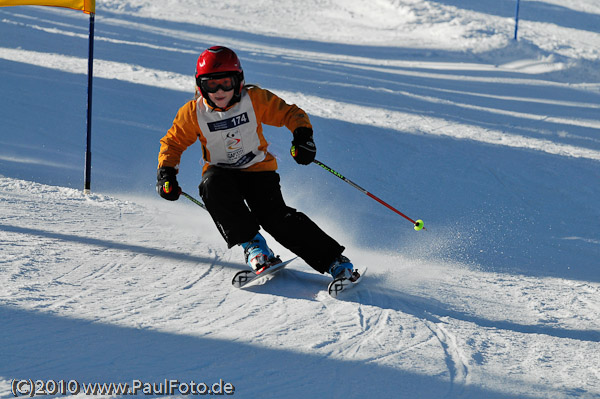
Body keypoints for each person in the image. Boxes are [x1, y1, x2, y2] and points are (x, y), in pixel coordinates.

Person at [156, 45, 357, 281]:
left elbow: (290, 113)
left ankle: (335, 260)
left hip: (259, 170)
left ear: (238, 81)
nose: (220, 91)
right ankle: (254, 246)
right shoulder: (194, 112)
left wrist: (303, 137)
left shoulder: (254, 99)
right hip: (220, 172)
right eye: (212, 84)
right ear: (200, 85)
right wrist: (166, 173)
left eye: (226, 83)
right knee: (210, 186)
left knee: (275, 219)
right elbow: (173, 142)